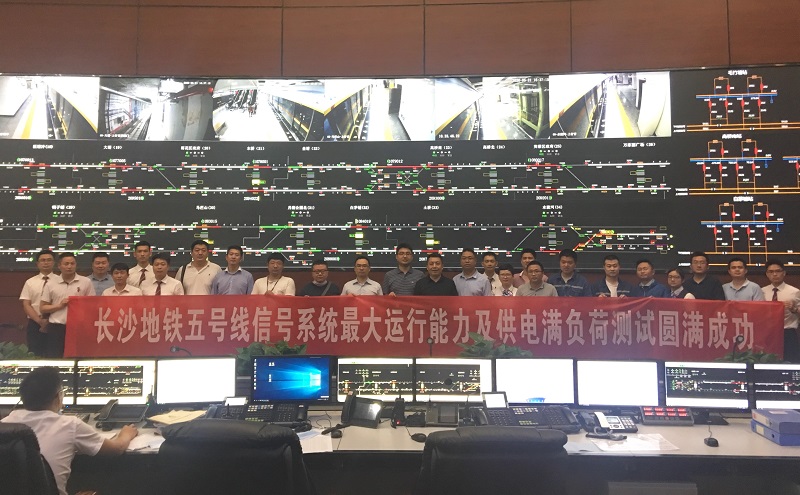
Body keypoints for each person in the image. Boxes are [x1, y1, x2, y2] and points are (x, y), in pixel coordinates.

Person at [1, 367, 138, 495]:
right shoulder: (70, 424)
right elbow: (117, 449)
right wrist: (126, 434)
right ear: (59, 397)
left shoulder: (5, 425)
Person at [39, 253, 96, 358]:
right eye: (66, 264)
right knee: (55, 358)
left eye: (72, 263)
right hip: (57, 327)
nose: (69, 266)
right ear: (59, 266)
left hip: (79, 328)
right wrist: (59, 306)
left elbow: (92, 305)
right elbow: (43, 308)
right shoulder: (51, 283)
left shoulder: (86, 282)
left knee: (79, 358)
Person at [762, 260, 800, 362]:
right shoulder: (762, 291)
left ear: (784, 273)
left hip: (787, 333)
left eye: (778, 271)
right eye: (771, 272)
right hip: (768, 333)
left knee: (791, 362)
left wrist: (794, 308)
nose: (775, 274)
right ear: (767, 274)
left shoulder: (794, 292)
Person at [19, 249, 55, 356]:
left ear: (54, 263)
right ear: (37, 264)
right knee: (35, 353)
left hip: (54, 323)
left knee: (54, 354)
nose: (46, 263)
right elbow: (26, 304)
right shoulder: (30, 282)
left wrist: (48, 320)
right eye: (43, 260)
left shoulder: (60, 281)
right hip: (35, 323)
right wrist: (39, 321)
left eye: (49, 260)